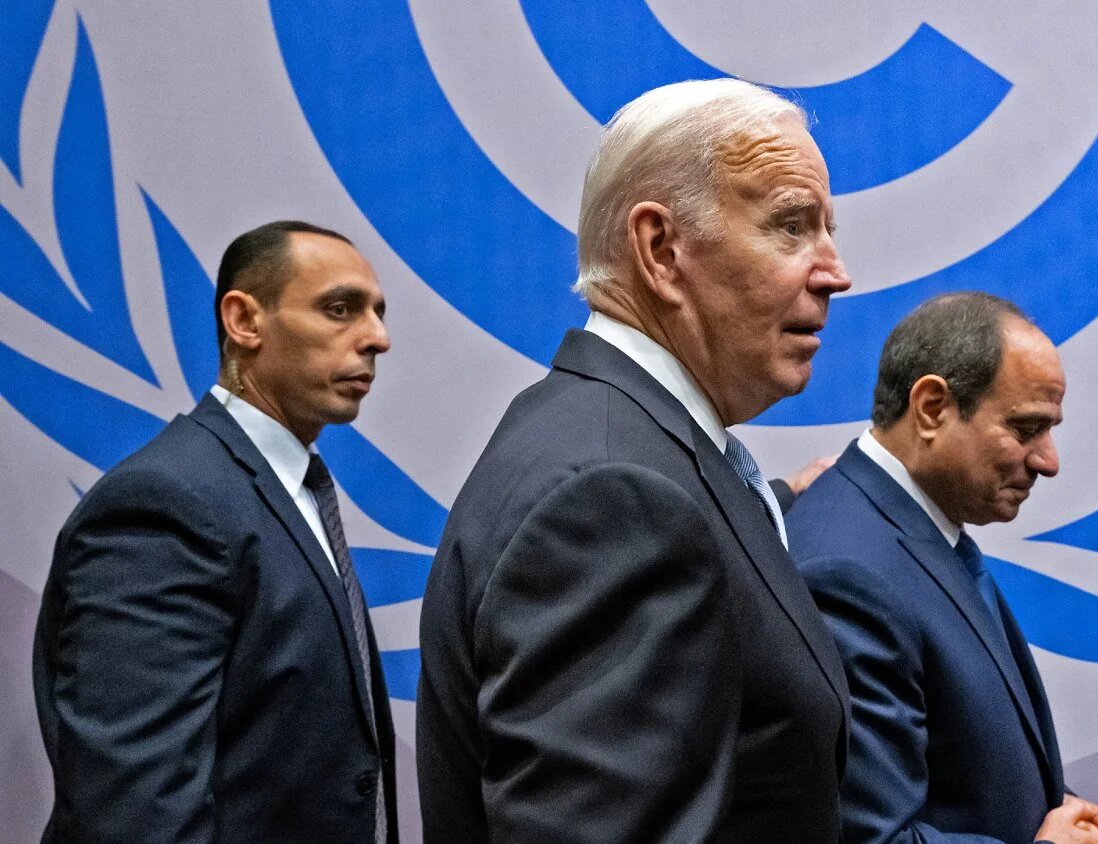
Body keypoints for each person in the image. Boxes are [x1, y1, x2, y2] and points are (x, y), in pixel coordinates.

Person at [417, 78, 853, 842]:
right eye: (791, 226)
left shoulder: (612, 445)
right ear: (660, 249)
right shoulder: (613, 499)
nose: (834, 272)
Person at [33, 221, 398, 842]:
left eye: (378, 313)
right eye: (340, 309)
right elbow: (135, 810)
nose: (377, 338)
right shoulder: (166, 503)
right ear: (244, 320)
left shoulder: (287, 486)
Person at [787, 293, 1098, 844]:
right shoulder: (847, 573)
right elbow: (873, 839)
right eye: (1025, 428)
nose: (1049, 461)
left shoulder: (909, 526)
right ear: (931, 407)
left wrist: (1059, 808)